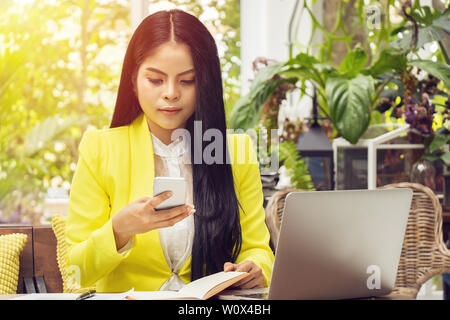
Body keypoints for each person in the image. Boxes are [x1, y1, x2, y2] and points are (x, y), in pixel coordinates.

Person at [65, 9, 274, 293]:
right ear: (133, 80)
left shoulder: (236, 151)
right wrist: (119, 230)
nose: (171, 93)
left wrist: (255, 268)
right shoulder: (100, 149)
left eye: (187, 80)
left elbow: (257, 249)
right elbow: (76, 271)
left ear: (205, 83)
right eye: (155, 80)